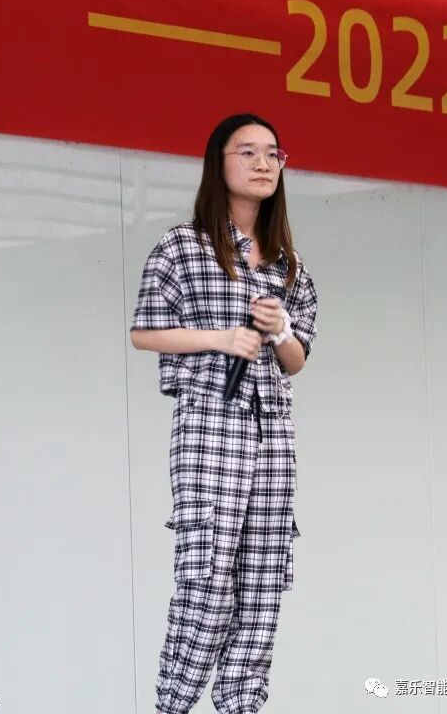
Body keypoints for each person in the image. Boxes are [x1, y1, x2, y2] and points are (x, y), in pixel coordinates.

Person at [130, 112, 318, 714]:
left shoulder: (288, 264)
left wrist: (280, 328)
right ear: (220, 163)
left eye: (273, 153)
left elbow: (296, 360)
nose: (264, 163)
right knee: (207, 582)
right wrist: (218, 338)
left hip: (273, 433)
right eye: (248, 152)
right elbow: (144, 332)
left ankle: (242, 705)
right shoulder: (182, 247)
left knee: (262, 585)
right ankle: (175, 703)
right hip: (211, 426)